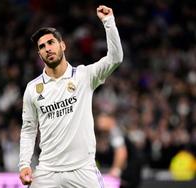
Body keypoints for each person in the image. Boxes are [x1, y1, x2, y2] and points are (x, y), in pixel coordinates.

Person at [19, 5, 123, 187]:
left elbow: (115, 58)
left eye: (51, 43)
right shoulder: (32, 88)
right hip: (47, 172)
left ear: (62, 45)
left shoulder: (84, 76)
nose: (47, 48)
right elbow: (28, 130)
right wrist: (24, 164)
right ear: (39, 54)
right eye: (42, 47)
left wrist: (109, 22)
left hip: (82, 170)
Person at [95, 113, 127, 178]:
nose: (100, 122)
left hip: (128, 169)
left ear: (111, 121)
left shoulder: (115, 131)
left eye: (104, 119)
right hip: (105, 168)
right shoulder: (99, 132)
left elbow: (121, 152)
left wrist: (116, 169)